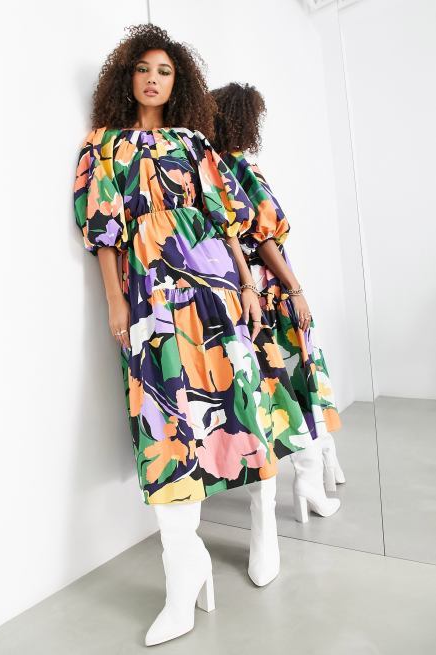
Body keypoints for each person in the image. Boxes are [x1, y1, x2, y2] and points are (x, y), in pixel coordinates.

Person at [73, 25, 312, 646]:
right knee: (165, 428)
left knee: (242, 405)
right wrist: (115, 302)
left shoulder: (194, 143)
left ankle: (264, 521)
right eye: (143, 69)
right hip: (151, 298)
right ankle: (184, 571)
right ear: (126, 76)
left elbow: (227, 222)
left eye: (165, 71)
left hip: (217, 288)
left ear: (179, 82)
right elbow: (103, 233)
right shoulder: (102, 147)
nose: (153, 79)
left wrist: (249, 286)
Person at [211, 82, 345, 523]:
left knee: (279, 386)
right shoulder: (238, 166)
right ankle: (308, 483)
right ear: (245, 119)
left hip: (246, 286)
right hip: (271, 286)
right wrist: (296, 289)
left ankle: (311, 477)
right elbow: (265, 238)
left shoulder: (214, 167)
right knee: (295, 381)